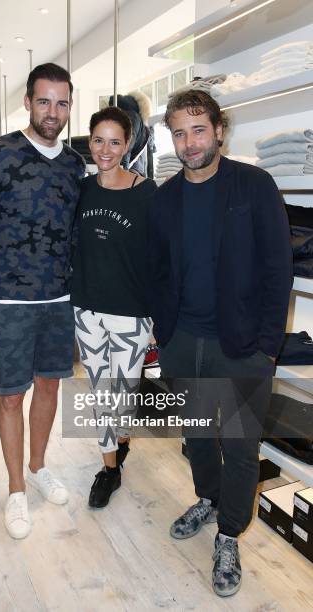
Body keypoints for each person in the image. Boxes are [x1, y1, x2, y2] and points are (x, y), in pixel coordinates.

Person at [147, 90, 292, 597]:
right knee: (198, 437)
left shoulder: (255, 185)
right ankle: (207, 499)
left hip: (242, 346)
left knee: (240, 445)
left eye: (198, 130)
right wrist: (162, 334)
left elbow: (279, 270)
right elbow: (160, 271)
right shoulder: (164, 199)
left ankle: (229, 534)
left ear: (219, 130)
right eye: (179, 133)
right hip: (183, 342)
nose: (189, 144)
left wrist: (268, 347)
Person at [0, 63, 85, 539]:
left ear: (69, 106)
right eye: (44, 101)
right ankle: (16, 488)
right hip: (7, 301)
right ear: (28, 102)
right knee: (11, 395)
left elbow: (77, 235)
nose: (53, 112)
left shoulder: (74, 164)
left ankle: (37, 466)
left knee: (50, 388)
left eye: (62, 103)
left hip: (59, 300)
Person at [71, 106, 157, 508]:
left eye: (115, 141)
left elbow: (160, 258)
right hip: (86, 309)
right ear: (90, 142)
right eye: (98, 140)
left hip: (131, 312)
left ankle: (121, 440)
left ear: (128, 145)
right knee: (101, 395)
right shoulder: (81, 189)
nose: (106, 150)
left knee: (124, 397)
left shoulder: (147, 193)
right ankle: (109, 470)